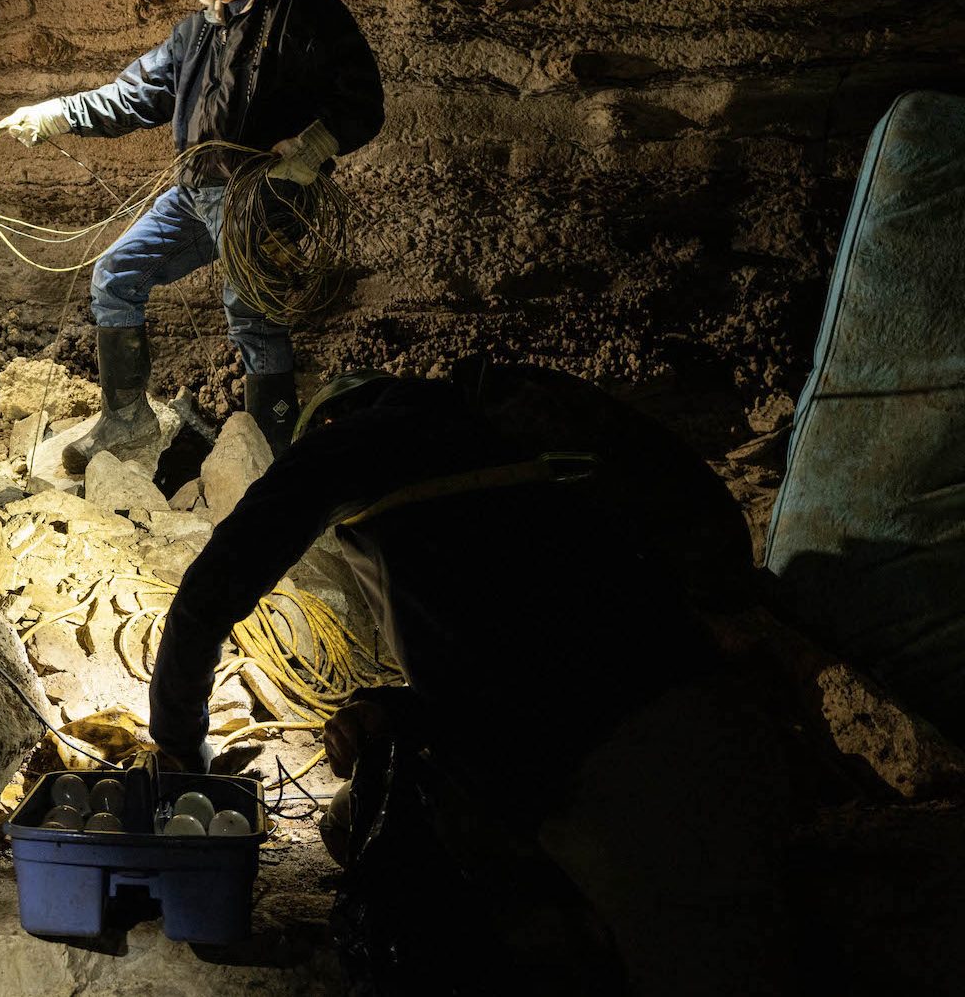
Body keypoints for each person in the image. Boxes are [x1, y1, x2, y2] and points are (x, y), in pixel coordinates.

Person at [147, 360, 796, 995]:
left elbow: (214, 584)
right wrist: (390, 709)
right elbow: (527, 638)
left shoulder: (358, 442)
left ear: (335, 423)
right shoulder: (508, 430)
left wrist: (177, 733)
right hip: (703, 708)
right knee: (358, 817)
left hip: (623, 766)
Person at [0, 0, 384, 469]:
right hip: (195, 194)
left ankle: (273, 463)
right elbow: (136, 95)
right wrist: (56, 115)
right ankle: (127, 421)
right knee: (115, 276)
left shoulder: (303, 10)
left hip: (261, 197)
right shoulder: (197, 33)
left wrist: (307, 150)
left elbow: (363, 103)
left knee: (251, 313)